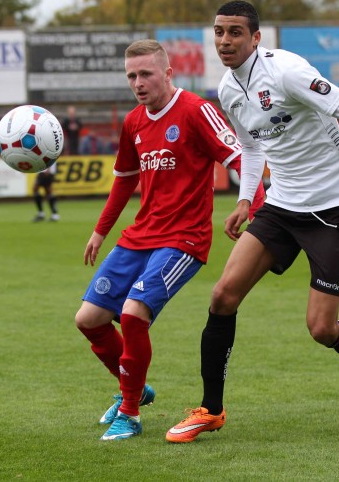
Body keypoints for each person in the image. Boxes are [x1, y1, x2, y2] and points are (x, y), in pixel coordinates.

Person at [166, 0, 339, 443]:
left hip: (336, 208)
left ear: (256, 38)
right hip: (282, 205)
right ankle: (211, 409)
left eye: (235, 32)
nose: (225, 41)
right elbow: (253, 149)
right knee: (222, 296)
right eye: (219, 32)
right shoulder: (229, 89)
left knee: (321, 329)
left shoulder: (288, 71)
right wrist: (243, 200)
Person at [74, 39, 265, 442]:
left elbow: (240, 157)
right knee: (88, 320)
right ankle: (136, 389)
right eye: (131, 76)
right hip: (139, 235)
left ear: (167, 73)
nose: (138, 83)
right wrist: (100, 231)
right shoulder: (133, 123)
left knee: (131, 315)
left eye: (145, 74)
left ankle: (129, 412)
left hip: (184, 239)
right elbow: (124, 181)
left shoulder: (197, 111)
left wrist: (255, 208)